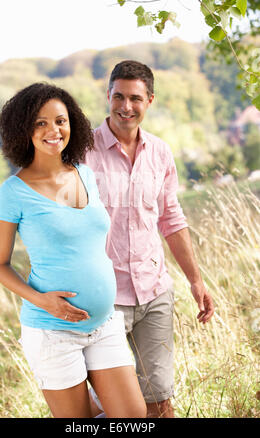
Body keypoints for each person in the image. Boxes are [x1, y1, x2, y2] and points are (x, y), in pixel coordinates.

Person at [0, 82, 147, 419]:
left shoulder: (86, 175)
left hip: (104, 324)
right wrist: (42, 299)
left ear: (71, 123)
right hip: (52, 331)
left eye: (60, 120)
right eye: (40, 123)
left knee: (133, 418)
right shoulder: (12, 192)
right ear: (23, 129)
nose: (53, 130)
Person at [84, 60, 215, 418]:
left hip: (154, 291)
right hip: (104, 299)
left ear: (150, 101)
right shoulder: (81, 151)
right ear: (107, 96)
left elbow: (171, 219)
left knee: (159, 402)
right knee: (115, 407)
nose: (126, 106)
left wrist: (195, 280)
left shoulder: (160, 152)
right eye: (119, 96)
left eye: (136, 98)